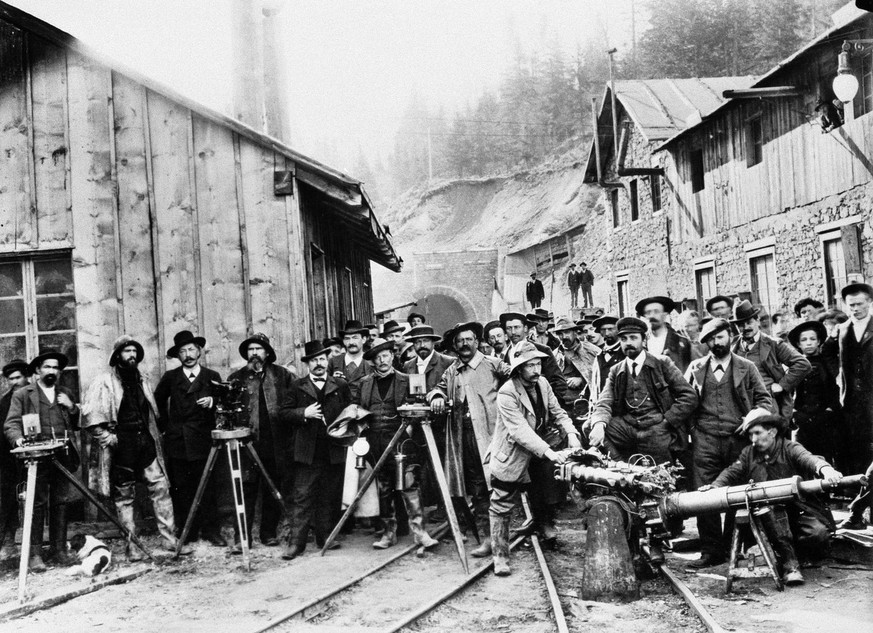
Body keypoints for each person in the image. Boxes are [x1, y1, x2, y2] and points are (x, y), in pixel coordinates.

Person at [81, 337, 192, 561]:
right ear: (117, 356)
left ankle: (170, 541)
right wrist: (109, 438)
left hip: (145, 444)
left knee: (161, 489)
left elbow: (153, 413)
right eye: (127, 351)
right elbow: (90, 417)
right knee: (125, 496)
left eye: (134, 351)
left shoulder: (143, 380)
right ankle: (133, 546)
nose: (131, 355)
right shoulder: (104, 382)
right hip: (122, 447)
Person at [702, 414, 842, 586]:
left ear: (772, 432)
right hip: (766, 516)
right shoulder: (748, 453)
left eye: (757, 433)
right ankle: (791, 565)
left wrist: (826, 470)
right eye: (750, 435)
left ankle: (793, 552)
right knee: (774, 514)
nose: (753, 439)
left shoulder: (790, 448)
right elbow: (732, 472)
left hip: (798, 509)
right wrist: (715, 486)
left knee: (818, 536)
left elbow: (810, 459)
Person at [683, 318, 772, 567]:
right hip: (705, 440)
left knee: (736, 493)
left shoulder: (746, 367)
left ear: (730, 337)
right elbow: (684, 401)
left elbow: (765, 401)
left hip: (738, 440)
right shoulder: (696, 368)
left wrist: (752, 418)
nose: (716, 342)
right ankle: (711, 551)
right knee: (704, 495)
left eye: (720, 337)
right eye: (711, 339)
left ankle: (735, 546)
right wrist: (693, 431)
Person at [487, 342, 581, 575]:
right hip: (513, 453)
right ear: (519, 368)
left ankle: (544, 523)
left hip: (539, 447)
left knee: (545, 487)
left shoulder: (542, 383)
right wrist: (549, 452)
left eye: (538, 363)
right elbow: (520, 431)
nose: (536, 369)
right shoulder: (507, 392)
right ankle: (500, 556)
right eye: (529, 365)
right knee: (502, 502)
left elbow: (558, 411)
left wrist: (571, 432)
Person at [429, 322, 506, 558]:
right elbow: (436, 389)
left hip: (492, 437)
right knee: (477, 487)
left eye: (469, 340)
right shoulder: (452, 371)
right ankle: (487, 538)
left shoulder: (493, 365)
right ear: (454, 345)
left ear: (477, 341)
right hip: (464, 436)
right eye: (460, 341)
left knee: (500, 485)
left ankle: (502, 536)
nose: (465, 344)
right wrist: (438, 396)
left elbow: (516, 380)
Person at [356, 338, 438, 550]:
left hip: (401, 442)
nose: (382, 360)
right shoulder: (364, 383)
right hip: (376, 443)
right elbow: (359, 412)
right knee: (384, 489)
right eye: (377, 357)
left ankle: (420, 533)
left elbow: (419, 409)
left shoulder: (408, 380)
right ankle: (388, 533)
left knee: (409, 486)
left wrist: (408, 432)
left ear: (392, 356)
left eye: (385, 355)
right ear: (372, 361)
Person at [4, 351, 80, 570]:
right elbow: (11, 424)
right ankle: (35, 555)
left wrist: (71, 407)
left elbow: (76, 423)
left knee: (61, 501)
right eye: (47, 367)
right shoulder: (23, 395)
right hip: (36, 457)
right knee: (36, 503)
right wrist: (19, 441)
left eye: (55, 368)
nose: (52, 371)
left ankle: (59, 551)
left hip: (62, 455)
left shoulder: (65, 393)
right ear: (37, 371)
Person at [587, 317, 698, 464]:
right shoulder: (617, 370)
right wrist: (599, 425)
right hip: (628, 427)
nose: (628, 343)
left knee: (659, 475)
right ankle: (619, 464)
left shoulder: (661, 363)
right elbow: (604, 401)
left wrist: (668, 420)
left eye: (633, 338)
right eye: (624, 339)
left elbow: (689, 396)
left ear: (644, 340)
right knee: (590, 425)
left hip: (656, 428)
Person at [279, 340, 352, 559]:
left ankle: (325, 537)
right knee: (302, 497)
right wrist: (303, 413)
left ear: (327, 360)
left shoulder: (340, 386)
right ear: (308, 364)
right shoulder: (296, 386)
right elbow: (283, 413)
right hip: (307, 452)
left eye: (322, 359)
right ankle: (297, 543)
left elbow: (350, 410)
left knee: (328, 496)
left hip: (333, 450)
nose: (319, 364)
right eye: (314, 360)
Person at [153, 331, 225, 547]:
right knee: (181, 488)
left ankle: (212, 530)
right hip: (179, 442)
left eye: (191, 349)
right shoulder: (171, 377)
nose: (188, 354)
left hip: (205, 441)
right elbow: (156, 404)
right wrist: (167, 429)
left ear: (199, 351)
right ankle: (188, 530)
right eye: (183, 351)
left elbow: (224, 403)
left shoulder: (212, 376)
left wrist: (213, 401)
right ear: (178, 356)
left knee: (209, 486)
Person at [228, 333, 296, 550]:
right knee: (245, 490)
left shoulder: (282, 375)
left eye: (259, 349)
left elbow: (293, 404)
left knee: (272, 487)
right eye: (251, 349)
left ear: (267, 353)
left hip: (276, 443)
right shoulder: (236, 378)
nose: (254, 353)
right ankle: (243, 537)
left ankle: (268, 533)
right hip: (247, 444)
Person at [730, 300, 811, 422]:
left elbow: (802, 364)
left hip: (768, 405)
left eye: (749, 322)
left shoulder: (773, 344)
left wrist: (782, 385)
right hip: (741, 406)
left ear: (757, 321)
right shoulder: (733, 347)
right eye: (741, 325)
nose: (746, 327)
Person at [836, 282, 873, 529]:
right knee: (860, 461)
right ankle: (860, 514)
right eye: (851, 305)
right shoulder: (843, 329)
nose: (856, 309)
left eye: (860, 304)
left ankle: (856, 510)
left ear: (869, 302)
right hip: (854, 408)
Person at [787, 321, 843, 469]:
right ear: (798, 344)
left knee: (827, 453)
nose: (809, 343)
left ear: (818, 341)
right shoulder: (794, 365)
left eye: (812, 339)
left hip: (824, 418)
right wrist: (793, 412)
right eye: (804, 340)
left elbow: (835, 386)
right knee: (803, 456)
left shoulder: (827, 363)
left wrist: (830, 409)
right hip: (802, 419)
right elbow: (789, 391)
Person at [499, 312, 568, 406]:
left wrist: (547, 405)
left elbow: (559, 383)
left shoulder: (542, 350)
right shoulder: (504, 356)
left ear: (526, 328)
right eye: (509, 328)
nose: (513, 332)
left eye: (517, 327)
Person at [0, 359, 29, 560]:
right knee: (9, 499)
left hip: (40, 455)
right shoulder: (4, 403)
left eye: (18, 377)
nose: (14, 382)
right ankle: (9, 543)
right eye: (11, 379)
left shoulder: (35, 396)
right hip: (10, 459)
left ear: (26, 376)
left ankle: (36, 546)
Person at [553, 317, 599, 418]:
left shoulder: (592, 351)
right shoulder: (554, 355)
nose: (564, 336)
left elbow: (602, 376)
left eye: (567, 332)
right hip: (563, 407)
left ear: (575, 332)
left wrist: (581, 380)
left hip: (588, 404)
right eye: (560, 333)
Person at [636, 296, 692, 373]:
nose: (652, 316)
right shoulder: (640, 344)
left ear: (665, 314)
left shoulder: (681, 343)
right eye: (648, 312)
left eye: (656, 311)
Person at [328, 320, 374, 401]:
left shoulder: (372, 362)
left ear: (363, 339)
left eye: (355, 338)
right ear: (343, 341)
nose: (351, 342)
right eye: (347, 339)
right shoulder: (332, 362)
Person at [589, 316, 624, 402]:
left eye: (610, 329)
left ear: (619, 330)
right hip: (602, 406)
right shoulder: (599, 356)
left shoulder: (626, 354)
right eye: (603, 330)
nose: (607, 333)